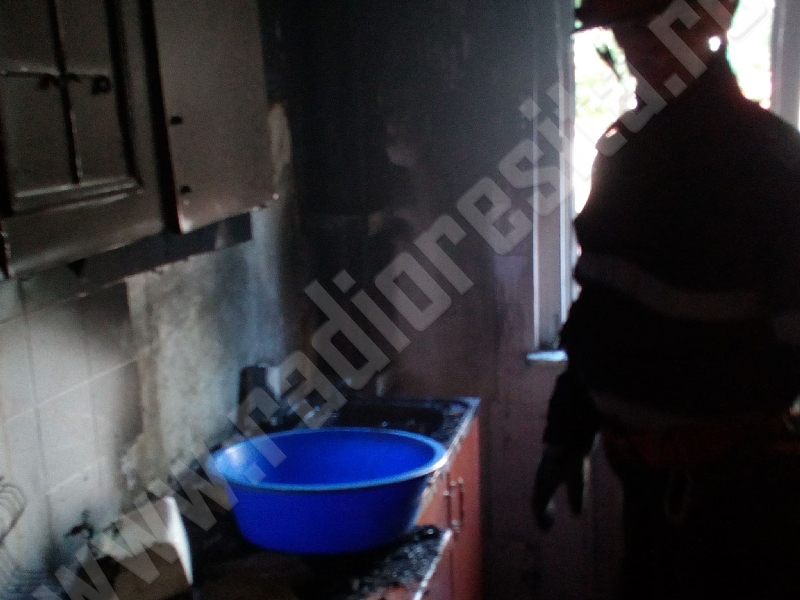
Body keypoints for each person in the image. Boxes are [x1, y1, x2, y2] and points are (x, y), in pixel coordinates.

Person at [532, 0, 800, 598]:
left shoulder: (774, 167)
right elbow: (603, 311)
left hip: (743, 505)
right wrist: (567, 435)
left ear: (713, 25)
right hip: (648, 490)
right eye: (630, 28)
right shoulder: (626, 157)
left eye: (667, 23)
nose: (646, 45)